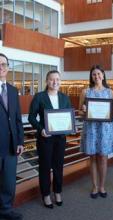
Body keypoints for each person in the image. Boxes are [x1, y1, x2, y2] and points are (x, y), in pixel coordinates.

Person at [28, 70, 72, 208]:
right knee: (45, 167)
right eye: (52, 79)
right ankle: (46, 194)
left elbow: (68, 116)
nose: (55, 82)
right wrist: (41, 129)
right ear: (47, 81)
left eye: (57, 79)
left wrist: (69, 127)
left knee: (58, 167)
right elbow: (31, 117)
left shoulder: (64, 97)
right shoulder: (39, 97)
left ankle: (57, 192)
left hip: (60, 138)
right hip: (45, 138)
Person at [80, 65, 113, 199]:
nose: (97, 77)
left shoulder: (110, 92)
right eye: (94, 74)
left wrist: (110, 113)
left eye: (99, 74)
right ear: (91, 76)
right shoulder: (85, 92)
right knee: (93, 157)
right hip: (91, 129)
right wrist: (83, 109)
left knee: (103, 157)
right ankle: (94, 186)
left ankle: (102, 186)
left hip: (105, 128)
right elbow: (80, 112)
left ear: (103, 75)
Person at [0, 53, 24, 220]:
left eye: (3, 64)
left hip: (10, 145)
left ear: (8, 68)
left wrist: (20, 141)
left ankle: (6, 211)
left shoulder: (14, 90)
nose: (1, 67)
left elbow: (17, 119)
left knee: (8, 182)